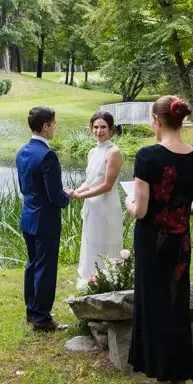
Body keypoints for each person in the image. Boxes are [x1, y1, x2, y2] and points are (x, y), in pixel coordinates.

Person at [124, 96, 193, 384]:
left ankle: (161, 382)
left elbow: (140, 210)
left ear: (157, 120)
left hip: (152, 242)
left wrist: (127, 202)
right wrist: (179, 210)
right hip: (180, 242)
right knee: (176, 304)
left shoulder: (147, 156)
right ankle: (180, 379)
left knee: (154, 305)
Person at [16, 106, 75, 332]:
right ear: (45, 126)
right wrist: (67, 195)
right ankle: (42, 318)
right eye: (54, 124)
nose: (55, 127)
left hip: (29, 216)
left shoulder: (23, 152)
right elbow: (55, 196)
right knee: (46, 267)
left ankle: (32, 310)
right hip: (46, 220)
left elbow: (25, 187)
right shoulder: (48, 155)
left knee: (32, 264)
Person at [72, 111, 124, 285]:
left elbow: (107, 185)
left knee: (106, 239)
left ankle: (107, 278)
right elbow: (90, 180)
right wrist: (75, 191)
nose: (99, 131)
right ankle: (90, 278)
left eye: (103, 127)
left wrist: (81, 195)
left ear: (111, 130)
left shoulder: (113, 151)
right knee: (91, 239)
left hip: (107, 204)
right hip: (92, 205)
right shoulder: (92, 152)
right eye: (95, 127)